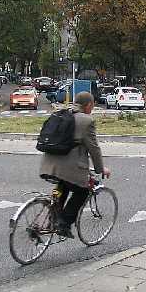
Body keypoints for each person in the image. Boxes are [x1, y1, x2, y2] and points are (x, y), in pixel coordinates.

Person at [39, 91, 110, 238]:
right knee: (82, 191)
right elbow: (94, 148)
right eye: (93, 106)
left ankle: (53, 220)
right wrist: (100, 168)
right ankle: (64, 223)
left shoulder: (61, 113)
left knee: (63, 186)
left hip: (48, 164)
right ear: (89, 105)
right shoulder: (86, 120)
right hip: (69, 167)